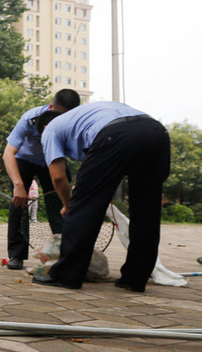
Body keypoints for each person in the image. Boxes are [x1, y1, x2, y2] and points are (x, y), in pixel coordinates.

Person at [32, 102, 170, 291]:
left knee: (84, 207)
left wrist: (69, 205)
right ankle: (135, 278)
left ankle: (66, 275)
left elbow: (58, 177)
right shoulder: (82, 116)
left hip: (116, 134)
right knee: (146, 211)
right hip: (157, 133)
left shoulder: (50, 129)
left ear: (44, 128)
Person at [2, 89, 81, 270]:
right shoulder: (30, 118)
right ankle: (16, 254)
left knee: (60, 204)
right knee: (18, 203)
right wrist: (19, 185)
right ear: (51, 107)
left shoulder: (76, 123)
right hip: (24, 159)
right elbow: (8, 153)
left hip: (51, 160)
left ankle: (65, 252)